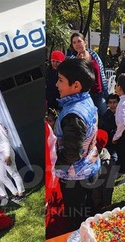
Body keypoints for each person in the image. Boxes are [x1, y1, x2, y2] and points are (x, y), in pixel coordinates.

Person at [54, 58, 100, 232]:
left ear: (76, 86)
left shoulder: (73, 115)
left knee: (78, 221)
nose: (57, 84)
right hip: (90, 167)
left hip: (76, 177)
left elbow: (72, 154)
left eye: (61, 80)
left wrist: (52, 166)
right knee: (89, 215)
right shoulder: (85, 99)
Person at [70, 33, 108, 116]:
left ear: (85, 42)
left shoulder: (94, 55)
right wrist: (79, 63)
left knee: (104, 117)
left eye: (79, 41)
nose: (77, 44)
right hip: (83, 97)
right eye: (74, 42)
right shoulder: (73, 61)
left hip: (99, 93)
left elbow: (102, 74)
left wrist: (106, 91)